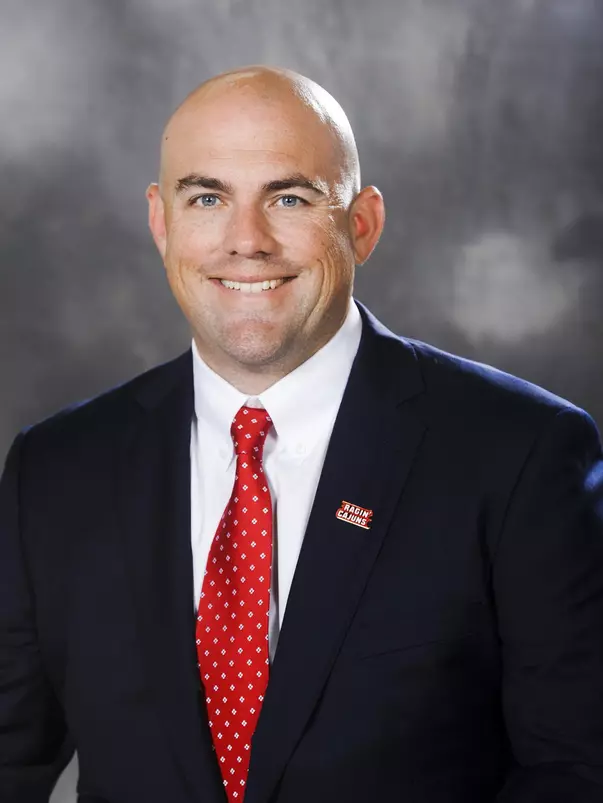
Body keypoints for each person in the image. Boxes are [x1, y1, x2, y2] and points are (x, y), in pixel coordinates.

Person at [1, 65, 603, 803]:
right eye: (207, 197)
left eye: (288, 197)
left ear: (362, 224)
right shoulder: (57, 470)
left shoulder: (521, 454)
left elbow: (576, 770)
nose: (245, 241)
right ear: (162, 222)